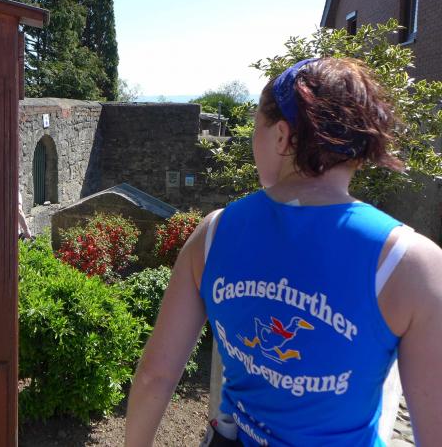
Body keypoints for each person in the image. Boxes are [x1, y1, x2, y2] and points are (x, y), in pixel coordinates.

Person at [125, 58, 442, 446]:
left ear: (281, 136)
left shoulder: (213, 233)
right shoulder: (412, 264)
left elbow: (155, 375)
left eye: (255, 126)